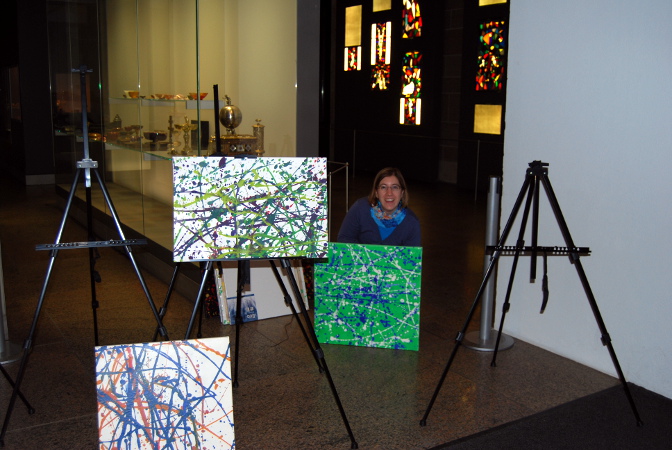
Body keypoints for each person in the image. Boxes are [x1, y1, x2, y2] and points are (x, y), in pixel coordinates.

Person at [337, 167, 421, 246]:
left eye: (395, 187)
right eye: (383, 187)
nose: (389, 193)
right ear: (376, 192)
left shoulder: (411, 222)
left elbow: (411, 255)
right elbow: (344, 239)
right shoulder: (360, 208)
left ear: (402, 193)